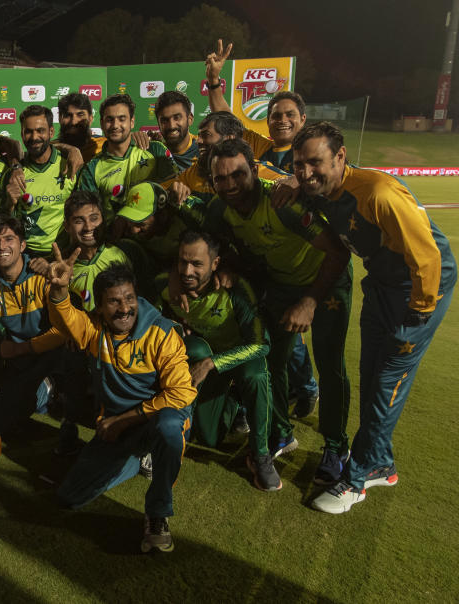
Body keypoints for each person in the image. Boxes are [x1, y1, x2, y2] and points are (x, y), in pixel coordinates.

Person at [292, 122, 455, 513]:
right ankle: (382, 463)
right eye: (299, 165)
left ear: (340, 156)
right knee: (370, 375)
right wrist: (289, 181)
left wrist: (420, 310)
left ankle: (358, 477)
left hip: (416, 290)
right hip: (381, 285)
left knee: (387, 381)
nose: (306, 172)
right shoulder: (319, 190)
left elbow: (429, 256)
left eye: (315, 162)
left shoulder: (378, 193)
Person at [199, 138, 353, 480]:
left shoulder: (283, 202)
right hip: (281, 285)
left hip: (326, 282)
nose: (229, 186)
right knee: (273, 360)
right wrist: (226, 268)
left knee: (330, 365)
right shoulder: (218, 210)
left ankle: (335, 445)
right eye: (219, 179)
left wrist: (310, 301)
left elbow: (338, 253)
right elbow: (212, 248)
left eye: (237, 175)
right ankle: (282, 433)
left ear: (253, 171)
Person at [47, 257, 196, 553]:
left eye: (129, 299)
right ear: (100, 307)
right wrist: (59, 293)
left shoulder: (162, 332)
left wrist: (124, 420)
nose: (125, 308)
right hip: (118, 425)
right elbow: (66, 320)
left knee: (169, 427)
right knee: (69, 497)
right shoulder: (95, 327)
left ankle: (158, 513)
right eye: (114, 302)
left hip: (157, 419)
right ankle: (136, 457)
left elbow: (181, 393)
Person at [154, 230, 279, 491]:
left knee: (255, 375)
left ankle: (260, 455)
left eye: (197, 264)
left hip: (237, 360)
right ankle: (232, 402)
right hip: (208, 364)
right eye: (182, 262)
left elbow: (260, 344)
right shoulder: (166, 285)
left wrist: (213, 363)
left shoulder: (237, 289)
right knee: (211, 439)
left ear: (215, 264)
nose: (187, 271)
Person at [0, 215, 74, 444]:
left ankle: (53, 392)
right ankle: (8, 397)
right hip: (16, 362)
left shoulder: (44, 278)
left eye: (9, 239)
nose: (2, 246)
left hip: (47, 355)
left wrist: (23, 348)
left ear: (22, 245)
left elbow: (63, 330)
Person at [204, 39, 306, 173]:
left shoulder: (310, 153)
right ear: (268, 121)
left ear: (303, 119)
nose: (283, 120)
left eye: (290, 114)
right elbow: (225, 118)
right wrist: (213, 79)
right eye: (276, 116)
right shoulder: (258, 146)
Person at [78, 94, 177, 220]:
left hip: (156, 236)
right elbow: (89, 214)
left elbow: (174, 191)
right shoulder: (92, 169)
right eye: (109, 120)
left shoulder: (155, 150)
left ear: (132, 122)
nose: (115, 125)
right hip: (114, 238)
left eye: (122, 119)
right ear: (102, 124)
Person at [1, 105, 79, 257]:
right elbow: (2, 223)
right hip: (25, 257)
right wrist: (9, 204)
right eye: (28, 131)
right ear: (22, 134)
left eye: (40, 130)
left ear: (51, 131)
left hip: (64, 254)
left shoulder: (71, 166)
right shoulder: (13, 175)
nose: (34, 137)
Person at [59, 190, 149, 311]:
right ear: (67, 227)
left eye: (94, 218)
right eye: (79, 221)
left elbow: (146, 297)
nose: (88, 227)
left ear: (103, 219)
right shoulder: (62, 268)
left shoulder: (127, 251)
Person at [154, 91, 198, 171]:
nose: (171, 126)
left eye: (177, 118)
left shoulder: (205, 149)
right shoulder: (154, 153)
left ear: (190, 119)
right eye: (164, 120)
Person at [56, 92, 104, 163]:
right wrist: (68, 148)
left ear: (90, 119)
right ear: (59, 119)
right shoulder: (50, 149)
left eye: (80, 115)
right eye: (67, 115)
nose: (73, 122)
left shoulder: (104, 145)